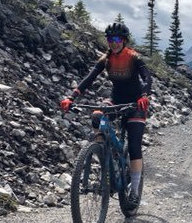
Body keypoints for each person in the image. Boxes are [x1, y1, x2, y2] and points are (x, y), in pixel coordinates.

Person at [61, 22, 152, 209]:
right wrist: (71, 97)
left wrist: (144, 95)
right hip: (116, 100)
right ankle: (103, 153)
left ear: (124, 41)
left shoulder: (133, 57)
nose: (114, 43)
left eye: (118, 39)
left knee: (134, 145)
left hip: (136, 103)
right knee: (97, 117)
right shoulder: (106, 59)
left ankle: (134, 191)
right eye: (111, 39)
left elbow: (146, 77)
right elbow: (89, 78)